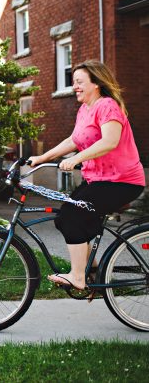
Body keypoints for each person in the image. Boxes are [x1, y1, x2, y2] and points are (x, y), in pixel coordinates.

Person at [28, 60, 145, 290]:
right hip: (99, 180)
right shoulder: (85, 110)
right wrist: (42, 159)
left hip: (122, 181)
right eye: (74, 83)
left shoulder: (108, 106)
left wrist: (76, 159)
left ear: (96, 84)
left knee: (73, 215)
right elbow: (73, 141)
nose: (75, 87)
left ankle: (78, 277)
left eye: (80, 82)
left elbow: (109, 141)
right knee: (65, 219)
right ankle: (92, 269)